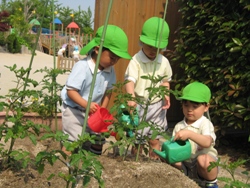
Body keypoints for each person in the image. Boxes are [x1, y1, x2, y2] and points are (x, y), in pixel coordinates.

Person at [60, 25, 131, 156]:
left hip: (93, 112)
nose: (115, 61)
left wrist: (102, 112)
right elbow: (71, 91)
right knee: (72, 139)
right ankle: (65, 160)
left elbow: (109, 91)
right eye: (112, 57)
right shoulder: (82, 67)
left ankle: (94, 159)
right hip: (75, 110)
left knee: (98, 139)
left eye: (117, 59)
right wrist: (86, 104)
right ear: (98, 50)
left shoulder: (110, 70)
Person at [124, 17, 172, 160]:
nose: (153, 51)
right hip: (139, 104)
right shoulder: (136, 61)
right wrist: (131, 97)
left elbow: (165, 81)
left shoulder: (163, 61)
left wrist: (166, 94)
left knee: (154, 139)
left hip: (157, 106)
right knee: (137, 139)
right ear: (141, 41)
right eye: (150, 46)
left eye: (157, 48)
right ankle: (135, 161)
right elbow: (129, 80)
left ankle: (153, 163)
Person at [172, 82, 218, 188]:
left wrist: (189, 134)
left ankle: (211, 183)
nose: (190, 109)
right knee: (172, 160)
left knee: (204, 160)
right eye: (186, 105)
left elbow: (207, 142)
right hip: (186, 164)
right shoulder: (179, 126)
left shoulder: (205, 123)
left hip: (201, 166)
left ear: (206, 107)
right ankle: (184, 178)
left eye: (195, 106)